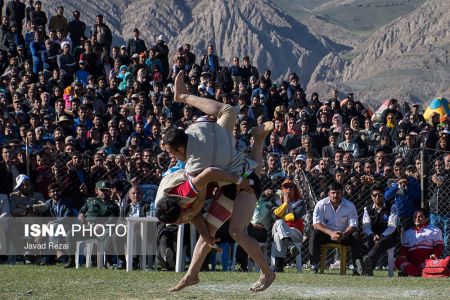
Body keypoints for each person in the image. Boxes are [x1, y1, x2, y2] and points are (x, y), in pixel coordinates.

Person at [157, 71, 275, 292]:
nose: (171, 157)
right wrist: (185, 98)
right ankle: (192, 275)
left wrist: (238, 180)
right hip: (228, 160)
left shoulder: (193, 170)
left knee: (237, 231)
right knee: (208, 233)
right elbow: (225, 111)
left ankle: (268, 273)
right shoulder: (193, 131)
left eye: (171, 152)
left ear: (181, 149)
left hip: (244, 183)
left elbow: (208, 176)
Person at [309, 181, 363, 275]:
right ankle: (314, 265)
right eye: (333, 193)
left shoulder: (350, 205)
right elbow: (316, 224)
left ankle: (357, 267)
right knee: (315, 233)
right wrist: (331, 233)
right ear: (328, 194)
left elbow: (354, 225)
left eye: (338, 192)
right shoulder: (321, 204)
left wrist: (343, 234)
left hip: (344, 234)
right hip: (326, 234)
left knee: (356, 235)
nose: (335, 195)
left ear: (342, 193)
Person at [361, 184, 398, 276]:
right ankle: (367, 269)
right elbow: (366, 226)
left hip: (388, 237)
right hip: (373, 235)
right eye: (375, 195)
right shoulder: (367, 208)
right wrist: (373, 235)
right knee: (365, 242)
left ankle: (367, 261)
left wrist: (381, 236)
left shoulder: (392, 207)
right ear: (371, 197)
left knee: (381, 242)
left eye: (380, 195)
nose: (377, 197)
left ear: (383, 195)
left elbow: (392, 226)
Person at [395, 208, 444, 276]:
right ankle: (417, 272)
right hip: (411, 261)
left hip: (427, 261)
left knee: (440, 261)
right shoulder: (408, 232)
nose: (417, 219)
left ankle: (411, 272)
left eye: (420, 217)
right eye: (415, 217)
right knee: (398, 261)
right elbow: (404, 248)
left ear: (426, 219)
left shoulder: (435, 230)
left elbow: (439, 246)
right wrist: (403, 256)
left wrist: (435, 254)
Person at [271, 179, 306, 272]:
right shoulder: (277, 201)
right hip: (281, 229)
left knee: (279, 233)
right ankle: (289, 244)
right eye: (286, 187)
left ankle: (278, 267)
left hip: (295, 231)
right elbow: (275, 215)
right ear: (282, 189)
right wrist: (285, 203)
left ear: (295, 189)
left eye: (291, 187)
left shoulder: (300, 202)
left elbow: (295, 216)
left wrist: (281, 217)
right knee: (278, 223)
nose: (288, 189)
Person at [384, 158, 421, 230]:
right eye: (396, 170)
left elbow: (418, 197)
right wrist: (396, 186)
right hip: (396, 215)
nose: (399, 172)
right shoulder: (391, 182)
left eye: (400, 169)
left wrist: (408, 188)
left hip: (409, 214)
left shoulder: (412, 180)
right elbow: (386, 196)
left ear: (404, 169)